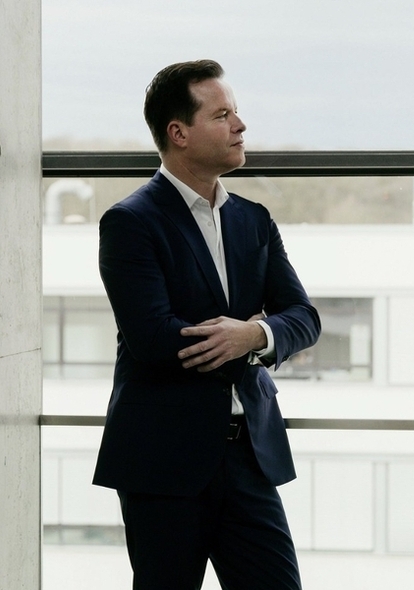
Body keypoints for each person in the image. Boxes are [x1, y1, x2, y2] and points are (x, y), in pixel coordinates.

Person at [92, 59, 320, 590]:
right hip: (163, 464)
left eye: (235, 112)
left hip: (250, 456)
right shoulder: (130, 222)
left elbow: (303, 318)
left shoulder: (253, 219)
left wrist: (253, 335)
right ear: (179, 133)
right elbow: (153, 337)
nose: (240, 125)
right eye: (222, 115)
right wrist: (239, 335)